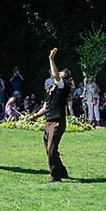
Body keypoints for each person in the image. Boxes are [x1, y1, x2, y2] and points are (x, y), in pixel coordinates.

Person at [30, 48, 71, 183]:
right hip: (49, 121)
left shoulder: (63, 86)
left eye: (61, 73)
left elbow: (56, 76)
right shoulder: (51, 90)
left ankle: (55, 176)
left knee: (51, 148)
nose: (57, 73)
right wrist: (35, 116)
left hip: (57, 121)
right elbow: (45, 107)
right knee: (50, 149)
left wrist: (51, 59)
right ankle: (62, 171)